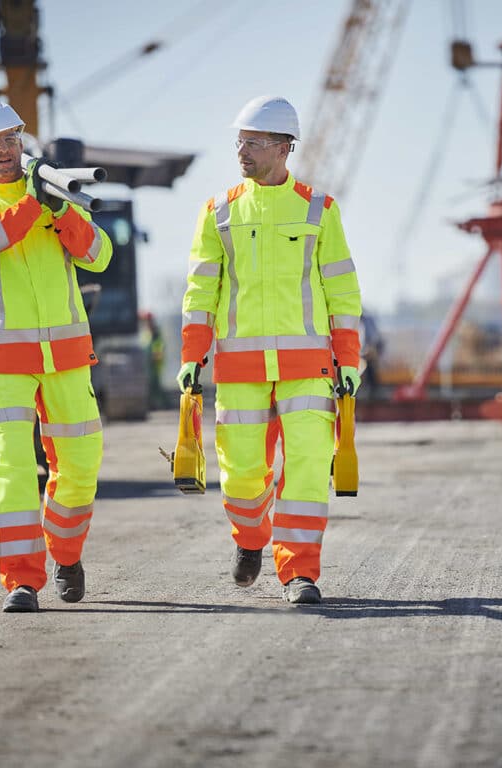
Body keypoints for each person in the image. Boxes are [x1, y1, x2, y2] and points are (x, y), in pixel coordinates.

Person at [177, 95, 363, 605]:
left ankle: (299, 571)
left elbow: (343, 292)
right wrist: (191, 357)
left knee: (305, 464)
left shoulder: (320, 210)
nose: (243, 150)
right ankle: (250, 538)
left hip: (308, 367)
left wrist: (349, 362)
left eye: (254, 142)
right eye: (239, 141)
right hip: (240, 370)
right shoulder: (218, 212)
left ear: (284, 148)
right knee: (240, 475)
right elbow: (200, 293)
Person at [0, 99, 113, 613]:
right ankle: (22, 580)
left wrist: (63, 210)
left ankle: (65, 555)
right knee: (12, 469)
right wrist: (38, 204)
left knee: (82, 467)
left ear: (22, 141)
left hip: (65, 357)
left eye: (11, 140)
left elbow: (99, 256)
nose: (4, 151)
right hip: (5, 362)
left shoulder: (55, 194)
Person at [139, 310, 169, 409]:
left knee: (155, 385)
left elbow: (159, 347)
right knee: (152, 385)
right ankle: (155, 404)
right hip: (149, 362)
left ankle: (163, 404)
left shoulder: (155, 333)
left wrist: (156, 356)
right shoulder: (147, 332)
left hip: (155, 362)